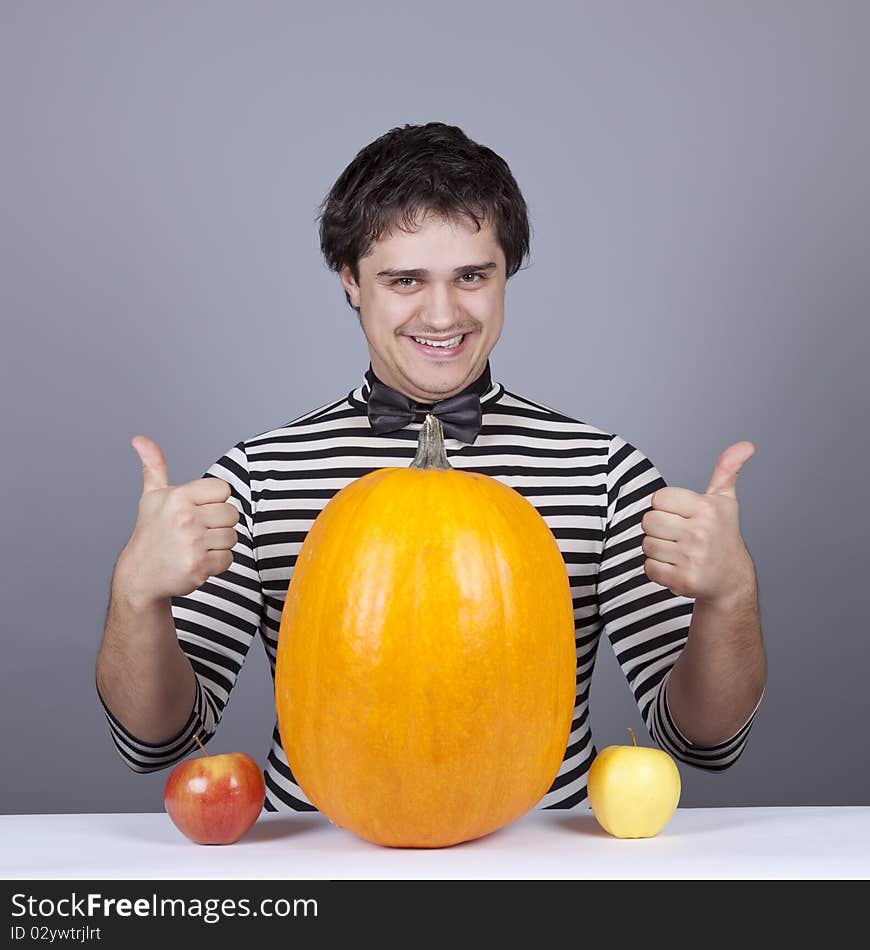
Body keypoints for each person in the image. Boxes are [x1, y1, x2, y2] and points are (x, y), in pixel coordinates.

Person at [95, 122, 767, 812]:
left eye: (472, 275)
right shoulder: (259, 476)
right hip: (326, 867)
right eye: (405, 279)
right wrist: (136, 598)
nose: (443, 314)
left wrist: (730, 600)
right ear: (352, 281)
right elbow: (157, 745)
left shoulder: (604, 472)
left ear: (507, 274)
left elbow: (702, 745)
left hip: (535, 869)